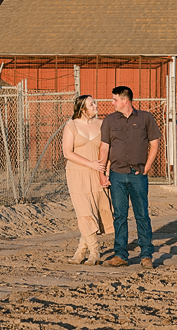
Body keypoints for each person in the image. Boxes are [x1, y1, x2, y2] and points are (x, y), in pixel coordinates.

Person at [98, 86, 161, 269]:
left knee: (142, 215)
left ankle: (146, 254)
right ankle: (120, 255)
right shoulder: (109, 120)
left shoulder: (146, 118)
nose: (112, 103)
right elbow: (104, 148)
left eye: (115, 99)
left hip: (137, 175)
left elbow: (154, 144)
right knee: (119, 216)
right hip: (117, 175)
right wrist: (101, 173)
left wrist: (146, 168)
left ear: (125, 100)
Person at [62, 94, 114, 265]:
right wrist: (90, 163)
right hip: (78, 173)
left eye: (95, 103)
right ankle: (94, 253)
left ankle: (80, 252)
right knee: (84, 212)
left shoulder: (102, 124)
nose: (96, 106)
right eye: (92, 104)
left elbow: (108, 149)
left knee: (95, 211)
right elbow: (67, 153)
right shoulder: (71, 126)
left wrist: (105, 171)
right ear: (82, 109)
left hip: (97, 173)